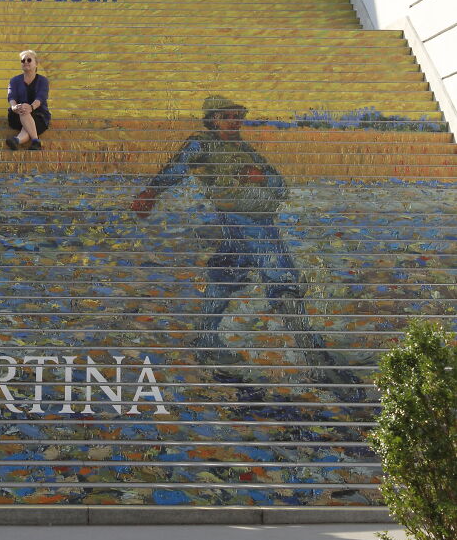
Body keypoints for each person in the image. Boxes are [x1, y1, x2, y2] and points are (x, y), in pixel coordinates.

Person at [131, 96, 355, 389]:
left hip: (257, 218)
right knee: (282, 279)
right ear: (212, 120)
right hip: (244, 220)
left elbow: (280, 185)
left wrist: (261, 178)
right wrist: (151, 193)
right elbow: (177, 168)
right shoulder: (202, 144)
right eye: (226, 116)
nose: (234, 121)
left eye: (237, 115)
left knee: (225, 274)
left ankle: (207, 340)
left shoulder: (245, 150)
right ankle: (315, 357)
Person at [6, 49, 51, 151]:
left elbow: (41, 97)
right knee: (24, 109)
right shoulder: (14, 80)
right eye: (23, 60)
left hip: (39, 116)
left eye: (29, 60)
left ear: (36, 64)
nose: (25, 62)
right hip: (17, 115)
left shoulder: (43, 81)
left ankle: (16, 140)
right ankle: (36, 140)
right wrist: (14, 107)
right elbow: (11, 96)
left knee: (26, 114)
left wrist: (31, 107)